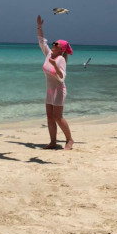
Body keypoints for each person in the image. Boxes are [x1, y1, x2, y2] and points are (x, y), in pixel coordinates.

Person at [37, 15, 75, 150]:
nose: (53, 44)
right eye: (54, 43)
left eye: (56, 44)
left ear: (61, 49)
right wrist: (39, 27)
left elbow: (62, 77)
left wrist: (55, 65)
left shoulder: (60, 60)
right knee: (49, 117)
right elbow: (42, 42)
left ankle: (69, 140)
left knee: (58, 117)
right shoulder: (49, 54)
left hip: (59, 90)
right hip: (49, 90)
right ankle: (53, 142)